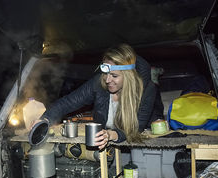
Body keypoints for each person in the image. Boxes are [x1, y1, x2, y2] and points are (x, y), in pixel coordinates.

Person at [33, 43, 164, 150]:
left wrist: (111, 135)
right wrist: (45, 119)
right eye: (106, 74)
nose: (107, 80)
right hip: (105, 144)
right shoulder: (99, 82)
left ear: (128, 76)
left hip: (138, 148)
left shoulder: (147, 90)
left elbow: (136, 129)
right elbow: (67, 102)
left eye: (114, 76)